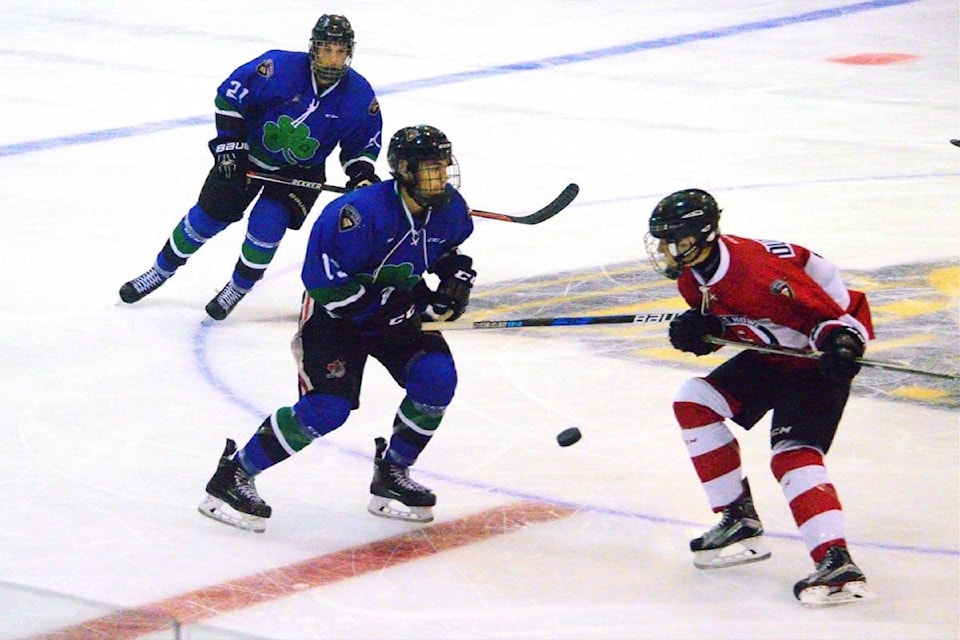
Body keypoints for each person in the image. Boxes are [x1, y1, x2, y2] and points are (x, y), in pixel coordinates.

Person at [198, 124, 476, 532]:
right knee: (327, 409)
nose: (441, 177)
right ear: (402, 169)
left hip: (396, 306)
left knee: (436, 380)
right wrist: (386, 316)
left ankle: (392, 474)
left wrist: (455, 278)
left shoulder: (450, 208)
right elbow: (325, 286)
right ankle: (234, 475)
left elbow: (443, 252)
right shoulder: (357, 216)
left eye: (443, 166)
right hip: (333, 317)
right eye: (430, 168)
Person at [644, 188, 877, 607]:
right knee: (695, 401)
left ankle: (837, 563)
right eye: (661, 239)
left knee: (792, 454)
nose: (664, 249)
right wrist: (701, 334)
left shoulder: (758, 275)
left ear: (703, 235)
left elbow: (827, 318)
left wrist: (843, 345)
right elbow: (739, 324)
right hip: (776, 355)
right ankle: (738, 518)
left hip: (816, 358)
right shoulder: (691, 276)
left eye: (672, 239)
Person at [119, 14, 383, 320]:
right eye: (326, 49)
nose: (333, 59)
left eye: (340, 51)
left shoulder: (359, 95)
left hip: (299, 172)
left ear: (349, 52)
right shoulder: (277, 68)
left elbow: (363, 142)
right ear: (314, 48)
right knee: (207, 219)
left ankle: (237, 288)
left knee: (267, 224)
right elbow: (229, 97)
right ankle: (159, 271)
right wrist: (230, 145)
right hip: (246, 158)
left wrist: (361, 174)